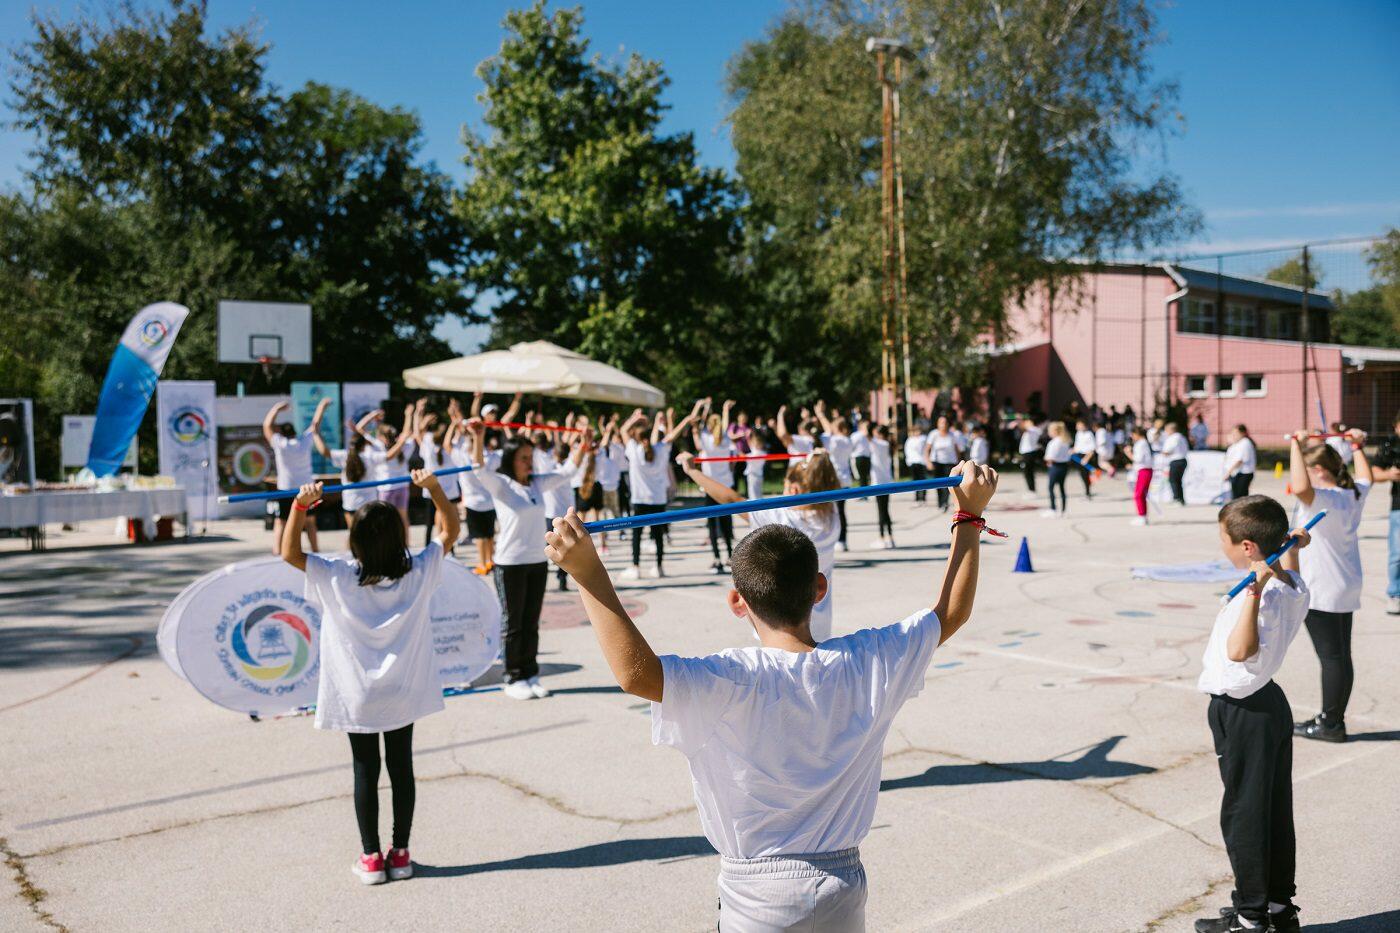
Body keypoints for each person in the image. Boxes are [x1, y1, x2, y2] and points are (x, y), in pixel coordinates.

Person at [544, 461, 997, 932]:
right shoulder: (868, 661)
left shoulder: (729, 677)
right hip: (842, 884)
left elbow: (636, 674)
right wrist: (968, 516)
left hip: (758, 896)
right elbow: (951, 612)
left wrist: (587, 572)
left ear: (738, 601)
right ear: (819, 589)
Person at [280, 469, 457, 886]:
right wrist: (432, 488)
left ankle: (371, 858)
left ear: (354, 541)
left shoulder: (337, 575)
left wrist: (299, 505)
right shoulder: (419, 570)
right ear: (400, 537)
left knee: (365, 770)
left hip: (357, 694)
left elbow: (288, 552)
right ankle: (401, 854)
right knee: (401, 768)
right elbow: (451, 529)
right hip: (403, 691)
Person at [1194, 496, 1310, 933]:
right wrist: (1290, 550)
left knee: (1245, 812)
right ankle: (1278, 906)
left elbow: (1240, 651)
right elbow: (1294, 578)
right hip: (1268, 704)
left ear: (1246, 547)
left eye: (1224, 539)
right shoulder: (1291, 586)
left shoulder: (1259, 595)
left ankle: (1250, 916)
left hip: (1242, 710)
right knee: (1274, 809)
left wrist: (1254, 590)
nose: (1220, 546)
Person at [464, 419, 588, 700]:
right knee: (514, 624)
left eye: (530, 458)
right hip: (509, 563)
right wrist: (479, 437)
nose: (529, 463)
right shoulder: (502, 485)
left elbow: (568, 471)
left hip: (536, 561)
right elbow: (478, 469)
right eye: (523, 458)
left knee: (532, 622)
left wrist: (584, 443)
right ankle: (512, 677)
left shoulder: (536, 484)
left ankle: (530, 674)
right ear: (510, 459)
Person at [679, 450, 843, 642]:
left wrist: (692, 471)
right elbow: (822, 479)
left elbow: (731, 501)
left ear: (794, 491)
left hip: (778, 630)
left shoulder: (783, 518)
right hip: (819, 627)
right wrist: (821, 459)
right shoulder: (831, 517)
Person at [1288, 430, 1372, 742]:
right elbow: (1366, 476)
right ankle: (1331, 718)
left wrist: (1294, 444)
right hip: (1345, 584)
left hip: (1324, 588)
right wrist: (1356, 446)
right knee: (1340, 656)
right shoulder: (1352, 493)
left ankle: (1331, 724)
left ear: (1319, 471)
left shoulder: (1323, 498)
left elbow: (1299, 486)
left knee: (1332, 658)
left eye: (1310, 471)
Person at [622, 401, 703, 580]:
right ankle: (658, 567)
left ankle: (635, 567)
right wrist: (686, 420)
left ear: (636, 437)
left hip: (640, 500)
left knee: (637, 534)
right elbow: (672, 435)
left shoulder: (634, 451)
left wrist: (635, 417)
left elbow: (622, 431)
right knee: (657, 535)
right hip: (657, 500)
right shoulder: (661, 450)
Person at [263, 398, 332, 555]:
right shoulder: (304, 441)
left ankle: (277, 552)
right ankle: (316, 551)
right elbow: (315, 425)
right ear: (294, 432)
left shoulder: (280, 443)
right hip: (306, 489)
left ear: (282, 433)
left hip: (286, 489)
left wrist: (277, 408)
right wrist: (321, 406)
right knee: (310, 522)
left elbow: (266, 426)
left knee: (281, 522)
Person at [694, 399, 738, 573]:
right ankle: (729, 555)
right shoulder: (726, 439)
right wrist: (725, 410)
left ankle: (717, 559)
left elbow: (700, 426)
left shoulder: (707, 440)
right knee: (726, 523)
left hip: (711, 488)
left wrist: (703, 408)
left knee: (712, 524)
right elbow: (723, 426)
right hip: (725, 486)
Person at [456, 412, 499, 575]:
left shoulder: (462, 456)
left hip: (473, 502)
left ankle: (483, 563)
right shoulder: (493, 457)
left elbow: (450, 446)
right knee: (489, 534)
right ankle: (490, 560)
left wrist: (459, 426)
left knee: (480, 536)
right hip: (489, 501)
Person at [815, 401, 855, 551]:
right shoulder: (847, 441)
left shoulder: (838, 440)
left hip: (836, 480)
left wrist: (820, 415)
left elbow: (828, 433)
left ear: (841, 429)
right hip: (843, 479)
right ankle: (841, 540)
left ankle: (837, 539)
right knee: (839, 511)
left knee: (833, 512)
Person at [1374, 413, 1400, 615]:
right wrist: (1390, 475)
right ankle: (1395, 594)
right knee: (1397, 554)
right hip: (1398, 507)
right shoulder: (1390, 446)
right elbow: (1373, 473)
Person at [922, 415, 963, 513]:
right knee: (938, 484)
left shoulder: (952, 435)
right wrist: (928, 462)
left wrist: (959, 464)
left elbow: (957, 450)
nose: (943, 424)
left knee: (948, 484)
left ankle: (945, 502)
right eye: (941, 422)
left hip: (950, 462)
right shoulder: (933, 434)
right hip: (937, 462)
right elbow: (927, 449)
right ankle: (940, 502)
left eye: (945, 422)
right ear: (938, 424)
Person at [869, 423, 896, 549]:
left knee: (881, 511)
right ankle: (890, 537)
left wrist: (865, 428)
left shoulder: (881, 444)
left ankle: (882, 538)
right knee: (885, 510)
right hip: (886, 481)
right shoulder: (887, 444)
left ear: (880, 434)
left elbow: (868, 438)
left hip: (879, 482)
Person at [1042, 421, 1071, 518]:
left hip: (1055, 466)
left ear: (1055, 431)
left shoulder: (1054, 442)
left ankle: (1053, 509)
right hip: (1064, 466)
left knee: (1051, 487)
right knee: (1062, 488)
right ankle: (1063, 510)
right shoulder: (1065, 441)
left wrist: (1047, 459)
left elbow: (1051, 457)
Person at [1128, 426, 1155, 527]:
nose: (1132, 436)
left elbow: (1138, 459)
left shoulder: (1141, 444)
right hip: (1144, 470)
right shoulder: (1143, 443)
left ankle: (1142, 516)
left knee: (1138, 494)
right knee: (1141, 494)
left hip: (1144, 470)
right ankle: (1142, 516)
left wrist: (1128, 453)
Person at [1225, 426, 1257, 500]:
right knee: (1237, 496)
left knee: (1240, 497)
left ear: (1242, 433)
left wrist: (1229, 472)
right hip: (1239, 473)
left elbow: (1240, 460)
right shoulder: (1240, 443)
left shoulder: (1245, 442)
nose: (1234, 435)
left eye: (1236, 433)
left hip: (1244, 473)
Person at [1162, 421, 1190, 506]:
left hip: (1176, 460)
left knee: (1173, 480)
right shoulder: (1182, 437)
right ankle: (1181, 499)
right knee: (1178, 481)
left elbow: (1167, 450)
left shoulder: (1173, 438)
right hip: (1183, 460)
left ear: (1171, 430)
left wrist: (1164, 453)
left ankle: (1177, 498)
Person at [905, 420, 930, 503]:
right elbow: (907, 450)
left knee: (923, 480)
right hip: (913, 462)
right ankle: (917, 497)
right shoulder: (910, 440)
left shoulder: (923, 438)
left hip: (921, 461)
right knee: (915, 480)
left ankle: (923, 497)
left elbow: (922, 449)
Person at [1071, 419, 1097, 497]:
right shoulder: (1078, 434)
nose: (1078, 427)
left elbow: (1092, 448)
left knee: (1086, 474)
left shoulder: (1089, 434)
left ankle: (1088, 491)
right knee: (1082, 475)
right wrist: (1072, 450)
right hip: (1079, 455)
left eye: (1080, 425)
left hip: (1086, 456)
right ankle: (1087, 489)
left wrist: (1086, 458)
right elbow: (1077, 446)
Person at [1018, 417, 1042, 494]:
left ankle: (1031, 490)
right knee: (1028, 472)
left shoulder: (1034, 429)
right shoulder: (1031, 430)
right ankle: (1031, 489)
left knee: (1028, 472)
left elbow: (1024, 428)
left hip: (1029, 453)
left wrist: (1019, 420)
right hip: (1026, 453)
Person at [852, 419, 873, 487]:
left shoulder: (868, 436)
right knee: (861, 476)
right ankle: (863, 493)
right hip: (859, 457)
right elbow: (852, 445)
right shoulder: (855, 435)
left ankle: (865, 493)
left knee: (866, 476)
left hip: (867, 456)